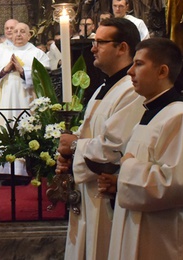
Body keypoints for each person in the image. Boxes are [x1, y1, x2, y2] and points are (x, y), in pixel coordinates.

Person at [98, 38, 183, 260]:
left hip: (166, 240)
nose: (130, 72)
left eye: (139, 64)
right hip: (142, 229)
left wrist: (125, 170)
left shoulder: (181, 117)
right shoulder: (151, 114)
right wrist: (119, 183)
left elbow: (179, 184)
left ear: (162, 71)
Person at [56, 18, 144, 260]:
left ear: (123, 48)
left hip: (107, 196)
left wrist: (73, 147)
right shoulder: (101, 89)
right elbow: (84, 136)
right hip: (89, 193)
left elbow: (112, 148)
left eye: (100, 42)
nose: (92, 47)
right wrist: (66, 156)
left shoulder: (131, 91)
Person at [0, 22, 50, 178]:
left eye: (23, 31)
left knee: (24, 128)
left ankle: (24, 170)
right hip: (4, 99)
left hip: (26, 100)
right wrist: (5, 70)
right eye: (15, 32)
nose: (19, 35)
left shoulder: (37, 53)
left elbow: (45, 73)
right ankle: (3, 169)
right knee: (4, 127)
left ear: (29, 35)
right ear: (11, 34)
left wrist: (23, 71)